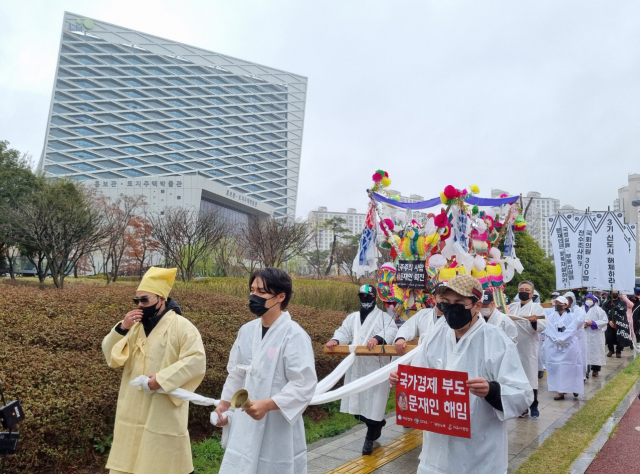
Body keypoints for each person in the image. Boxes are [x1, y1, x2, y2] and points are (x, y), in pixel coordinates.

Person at [389, 275, 532, 474]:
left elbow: (522, 395)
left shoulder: (494, 339)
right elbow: (420, 374)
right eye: (446, 302)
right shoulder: (435, 336)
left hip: (478, 454)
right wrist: (403, 380)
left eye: (459, 303)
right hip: (435, 455)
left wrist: (491, 390)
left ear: (476, 305)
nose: (451, 308)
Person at [102, 267, 206, 474]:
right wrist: (122, 327)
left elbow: (196, 360)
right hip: (132, 403)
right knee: (129, 457)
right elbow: (111, 357)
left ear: (161, 298)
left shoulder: (183, 327)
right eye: (137, 301)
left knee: (162, 458)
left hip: (162, 404)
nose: (140, 305)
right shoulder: (134, 326)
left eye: (145, 300)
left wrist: (161, 379)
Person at [215, 268, 317, 474]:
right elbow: (236, 372)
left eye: (261, 292)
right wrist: (224, 405)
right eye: (252, 291)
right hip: (245, 419)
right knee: (241, 463)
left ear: (281, 296)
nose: (254, 297)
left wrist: (269, 404)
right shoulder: (246, 331)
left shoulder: (294, 335)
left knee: (273, 466)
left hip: (276, 422)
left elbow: (304, 383)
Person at [326, 284, 398, 455]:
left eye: (369, 297)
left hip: (375, 368)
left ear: (374, 298)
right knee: (360, 407)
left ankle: (370, 436)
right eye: (362, 297)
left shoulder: (383, 318)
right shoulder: (352, 318)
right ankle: (376, 425)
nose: (365, 300)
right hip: (357, 367)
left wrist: (378, 338)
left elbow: (392, 331)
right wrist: (336, 340)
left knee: (374, 403)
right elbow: (344, 332)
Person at [508, 281, 547, 419]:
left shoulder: (537, 308)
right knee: (517, 379)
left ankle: (534, 405)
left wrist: (533, 321)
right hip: (514, 347)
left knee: (530, 377)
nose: (523, 291)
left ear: (532, 294)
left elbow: (543, 325)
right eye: (521, 289)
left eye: (527, 290)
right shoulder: (512, 307)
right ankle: (521, 407)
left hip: (529, 346)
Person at [543, 296, 584, 400]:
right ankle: (560, 391)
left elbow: (572, 329)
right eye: (556, 302)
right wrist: (556, 339)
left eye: (559, 303)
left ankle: (574, 388)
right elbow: (548, 328)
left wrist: (563, 339)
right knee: (557, 369)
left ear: (565, 305)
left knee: (571, 367)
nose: (557, 304)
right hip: (554, 345)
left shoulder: (572, 316)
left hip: (569, 346)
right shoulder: (551, 316)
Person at [394, 282, 446, 355]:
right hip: (423, 359)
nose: (445, 300)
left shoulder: (456, 318)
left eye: (447, 297)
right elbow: (408, 327)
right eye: (441, 297)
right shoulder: (423, 314)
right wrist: (400, 338)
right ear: (434, 299)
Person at [583, 293, 608, 377]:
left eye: (590, 299)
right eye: (587, 299)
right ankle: (585, 370)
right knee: (584, 352)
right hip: (584, 334)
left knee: (596, 352)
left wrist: (593, 323)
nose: (588, 301)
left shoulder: (599, 310)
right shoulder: (580, 309)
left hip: (596, 335)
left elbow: (604, 321)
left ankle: (595, 370)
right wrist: (583, 324)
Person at [603, 291, 633, 358]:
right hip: (610, 323)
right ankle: (611, 350)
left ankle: (618, 351)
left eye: (616, 293)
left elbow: (624, 310)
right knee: (609, 337)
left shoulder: (622, 302)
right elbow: (604, 313)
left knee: (620, 337)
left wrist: (616, 307)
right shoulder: (606, 303)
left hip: (620, 323)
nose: (615, 294)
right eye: (613, 293)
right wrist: (609, 321)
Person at [564, 291, 587, 378]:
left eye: (569, 300)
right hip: (565, 339)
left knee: (579, 357)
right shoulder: (562, 311)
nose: (568, 302)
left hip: (578, 338)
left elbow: (579, 322)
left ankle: (581, 376)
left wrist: (566, 326)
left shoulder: (579, 311)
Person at [538, 292, 560, 379]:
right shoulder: (546, 309)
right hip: (548, 335)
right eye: (553, 297)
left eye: (556, 297)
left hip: (559, 336)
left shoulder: (562, 311)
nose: (554, 299)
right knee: (545, 351)